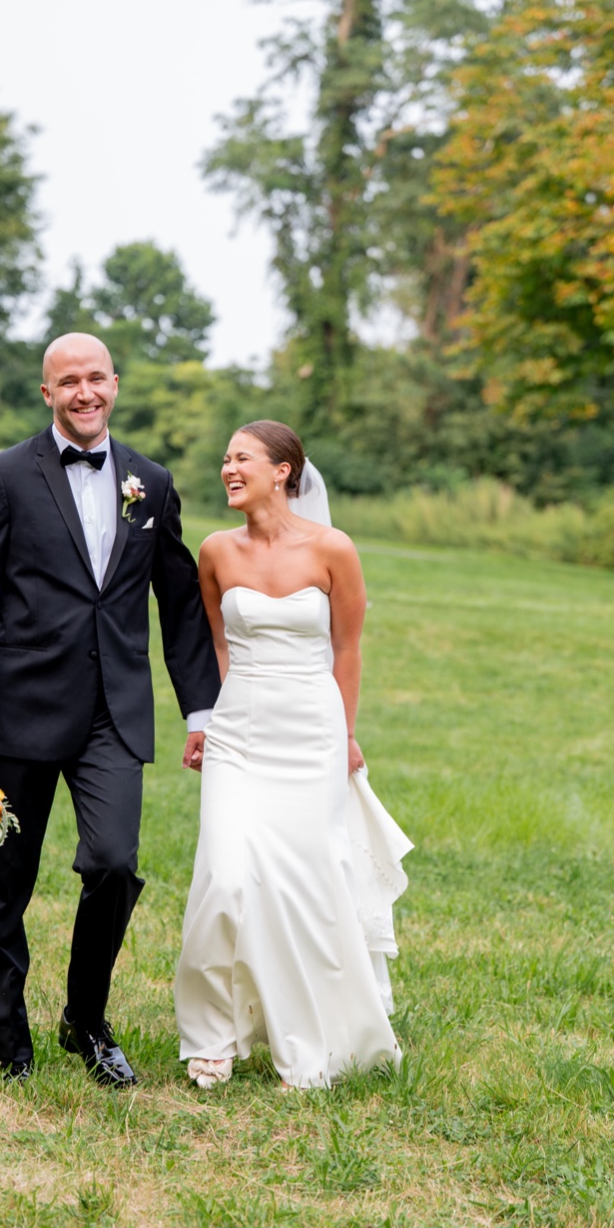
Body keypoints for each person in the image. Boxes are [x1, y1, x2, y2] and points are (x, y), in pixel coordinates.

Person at [0, 332, 220, 1085]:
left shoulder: (150, 484)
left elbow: (181, 607)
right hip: (21, 705)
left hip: (113, 716)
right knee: (4, 879)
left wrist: (201, 713)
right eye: (69, 382)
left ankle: (85, 1021)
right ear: (47, 393)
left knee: (115, 864)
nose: (84, 392)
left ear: (115, 384)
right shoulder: (4, 476)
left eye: (96, 378)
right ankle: (10, 1043)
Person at [173, 420, 407, 1089]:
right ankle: (211, 1035)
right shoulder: (216, 551)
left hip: (311, 732)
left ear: (284, 471)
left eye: (242, 457)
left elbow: (347, 650)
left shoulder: (333, 550)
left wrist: (348, 736)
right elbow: (217, 645)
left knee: (306, 884)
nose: (228, 468)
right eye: (225, 458)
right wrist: (206, 722)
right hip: (240, 732)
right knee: (224, 876)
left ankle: (312, 1032)